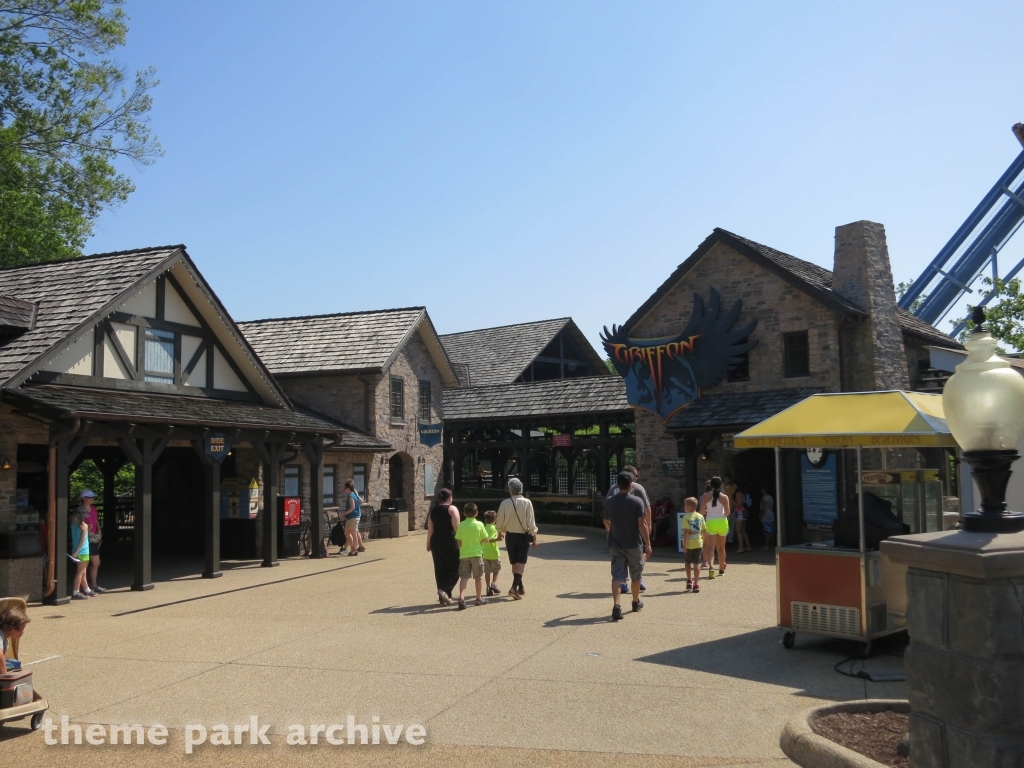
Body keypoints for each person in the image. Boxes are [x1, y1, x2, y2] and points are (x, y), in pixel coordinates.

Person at [603, 472, 652, 621]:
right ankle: (635, 602)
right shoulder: (637, 501)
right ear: (631, 485)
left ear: (618, 485)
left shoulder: (610, 501)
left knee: (617, 575)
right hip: (634, 543)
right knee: (636, 574)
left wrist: (611, 528)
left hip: (616, 542)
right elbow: (642, 524)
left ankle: (617, 605)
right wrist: (648, 543)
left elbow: (606, 521)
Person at [496, 478, 538, 600]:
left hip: (510, 536)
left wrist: (500, 533)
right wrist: (534, 538)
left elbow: (500, 522)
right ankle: (515, 587)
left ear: (510, 489)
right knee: (521, 562)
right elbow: (531, 522)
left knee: (514, 562)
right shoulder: (527, 503)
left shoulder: (504, 503)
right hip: (522, 536)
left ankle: (520, 586)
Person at [427, 488, 461, 605]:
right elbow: (456, 527)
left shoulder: (433, 511)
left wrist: (428, 543)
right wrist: (461, 540)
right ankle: (445, 590)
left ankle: (444, 597)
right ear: (450, 497)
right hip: (450, 540)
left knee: (440, 568)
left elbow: (430, 529)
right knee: (456, 568)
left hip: (436, 540)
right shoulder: (452, 509)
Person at [455, 503, 488, 609]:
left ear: (464, 513)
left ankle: (461, 598)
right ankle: (478, 599)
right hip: (477, 554)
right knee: (478, 578)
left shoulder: (461, 525)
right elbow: (486, 539)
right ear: (476, 513)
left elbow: (459, 542)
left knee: (464, 577)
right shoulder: (480, 525)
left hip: (464, 554)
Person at [76, 490, 107, 594]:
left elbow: (96, 520)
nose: (92, 499)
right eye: (90, 497)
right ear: (84, 498)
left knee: (96, 562)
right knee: (84, 564)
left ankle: (94, 585)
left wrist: (99, 530)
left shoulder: (93, 508)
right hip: (85, 539)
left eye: (93, 497)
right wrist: (87, 531)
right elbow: (78, 524)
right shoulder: (80, 510)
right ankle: (85, 587)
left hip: (93, 539)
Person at [700, 476, 731, 578]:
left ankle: (711, 568)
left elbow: (701, 511)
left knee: (710, 548)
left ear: (710, 485)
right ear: (720, 485)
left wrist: (708, 512)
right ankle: (721, 569)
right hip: (722, 522)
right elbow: (727, 513)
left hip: (710, 522)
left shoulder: (705, 496)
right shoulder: (724, 497)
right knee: (721, 548)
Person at [680, 497, 705, 593]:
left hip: (689, 544)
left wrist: (684, 545)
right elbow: (704, 530)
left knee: (687, 562)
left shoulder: (686, 517)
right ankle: (696, 583)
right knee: (697, 563)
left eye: (685, 505)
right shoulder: (700, 516)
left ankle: (689, 579)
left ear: (689, 506)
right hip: (698, 543)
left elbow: (686, 532)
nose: (684, 507)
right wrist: (702, 540)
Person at [70, 505, 91, 599]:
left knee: (83, 571)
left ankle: (87, 589)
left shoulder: (73, 524)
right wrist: (78, 551)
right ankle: (76, 591)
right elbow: (82, 540)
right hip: (83, 551)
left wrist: (75, 552)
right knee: (80, 572)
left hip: (76, 550)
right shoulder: (84, 526)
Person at [0, 606, 30, 671]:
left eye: (23, 628)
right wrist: (6, 676)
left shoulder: (5, 638)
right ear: (8, 627)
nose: (22, 632)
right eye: (20, 628)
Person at [481, 510, 502, 596]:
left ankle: (488, 587)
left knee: (487, 571)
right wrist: (498, 539)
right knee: (496, 569)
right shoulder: (494, 528)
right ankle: (493, 583)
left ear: (485, 520)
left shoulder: (484, 528)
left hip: (485, 553)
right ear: (495, 519)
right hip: (494, 553)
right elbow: (490, 539)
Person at [341, 480, 363, 556]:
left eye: (345, 487)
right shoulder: (354, 494)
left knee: (353, 533)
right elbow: (361, 501)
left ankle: (354, 550)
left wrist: (344, 514)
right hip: (352, 517)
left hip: (353, 517)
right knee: (347, 532)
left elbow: (352, 507)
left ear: (348, 488)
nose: (344, 489)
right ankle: (353, 547)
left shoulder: (351, 496)